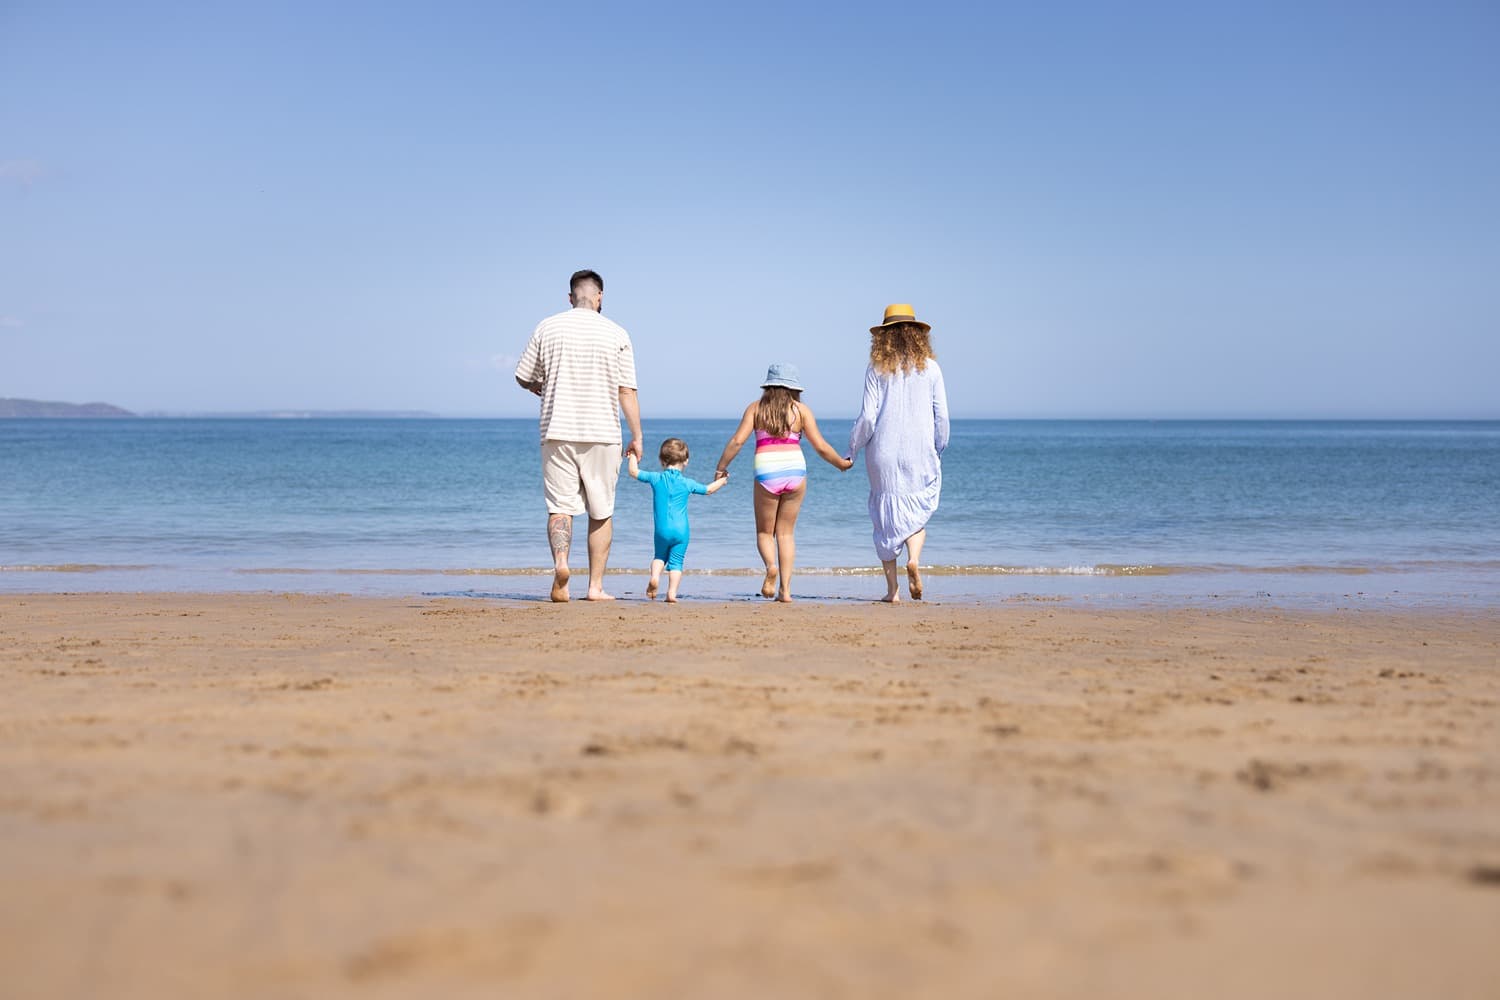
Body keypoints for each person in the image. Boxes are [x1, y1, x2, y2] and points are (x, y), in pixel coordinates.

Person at [514, 269, 643, 602]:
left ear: (570, 297)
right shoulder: (617, 333)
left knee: (560, 507)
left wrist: (537, 386)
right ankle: (595, 587)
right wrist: (637, 435)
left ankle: (561, 564)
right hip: (603, 433)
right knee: (601, 511)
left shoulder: (548, 326)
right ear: (600, 297)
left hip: (557, 429)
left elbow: (522, 375)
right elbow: (626, 391)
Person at [714, 363, 852, 603]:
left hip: (767, 472)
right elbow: (820, 446)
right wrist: (840, 463)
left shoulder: (756, 408)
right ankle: (785, 591)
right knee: (786, 534)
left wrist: (721, 467)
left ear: (768, 386)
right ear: (794, 388)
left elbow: (737, 441)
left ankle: (771, 567)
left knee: (764, 532)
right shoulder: (801, 411)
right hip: (795, 472)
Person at [847, 304, 950, 603]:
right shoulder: (931, 368)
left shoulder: (876, 368)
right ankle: (913, 560)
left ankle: (892, 591)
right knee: (916, 516)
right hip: (920, 450)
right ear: (917, 335)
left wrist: (852, 448)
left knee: (884, 519)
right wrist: (939, 446)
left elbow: (868, 417)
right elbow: (942, 416)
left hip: (882, 453)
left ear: (884, 336)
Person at [627, 437, 726, 602]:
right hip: (681, 531)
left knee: (659, 556)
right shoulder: (687, 483)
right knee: (677, 562)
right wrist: (722, 481)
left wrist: (631, 455)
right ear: (686, 461)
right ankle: (671, 594)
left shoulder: (656, 478)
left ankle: (655, 577)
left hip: (661, 530)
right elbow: (708, 490)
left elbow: (633, 472)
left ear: (661, 461)